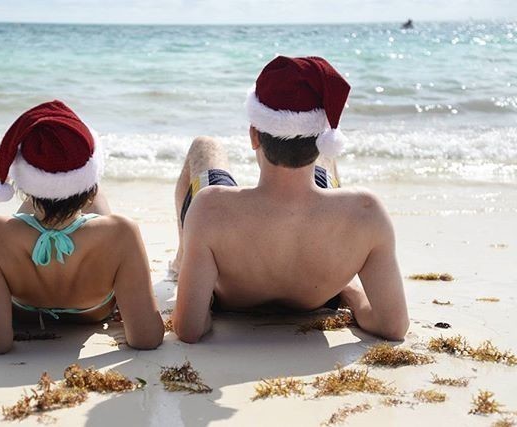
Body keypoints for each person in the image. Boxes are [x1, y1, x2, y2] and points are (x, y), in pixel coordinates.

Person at [171, 56, 409, 343]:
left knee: (204, 146)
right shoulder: (366, 212)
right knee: (325, 168)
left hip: (234, 297)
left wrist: (203, 299)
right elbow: (393, 326)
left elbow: (189, 329)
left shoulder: (209, 209)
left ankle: (184, 261)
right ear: (323, 137)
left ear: (254, 135)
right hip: (319, 293)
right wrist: (353, 293)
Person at [0, 100, 164, 354]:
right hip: (94, 312)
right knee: (89, 202)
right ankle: (24, 171)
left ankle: (2, 168)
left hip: (26, 313)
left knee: (43, 206)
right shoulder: (122, 232)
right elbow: (146, 339)